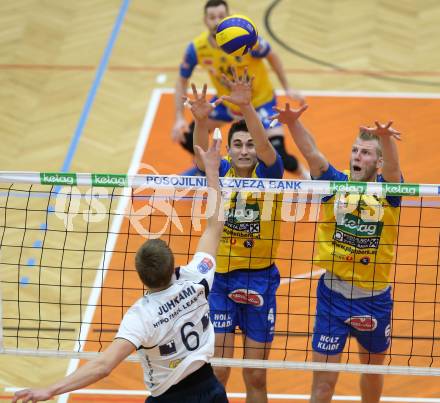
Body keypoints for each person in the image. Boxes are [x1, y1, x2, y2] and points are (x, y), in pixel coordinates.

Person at [13, 139, 228, 403]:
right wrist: (212, 172)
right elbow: (214, 225)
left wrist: (49, 390)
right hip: (212, 391)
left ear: (141, 276)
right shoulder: (197, 278)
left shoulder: (142, 316)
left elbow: (103, 366)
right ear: (174, 267)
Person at [271, 103, 403, 403]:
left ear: (378, 162)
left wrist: (386, 139)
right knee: (323, 386)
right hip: (333, 297)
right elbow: (312, 154)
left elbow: (394, 170)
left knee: (371, 375)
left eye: (366, 152)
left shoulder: (390, 191)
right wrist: (292, 124)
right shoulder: (336, 183)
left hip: (374, 300)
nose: (358, 156)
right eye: (355, 150)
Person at [185, 68, 282, 403]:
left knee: (255, 375)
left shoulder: (270, 173)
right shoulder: (221, 169)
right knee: (220, 372)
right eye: (237, 145)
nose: (244, 150)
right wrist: (200, 121)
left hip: (260, 280)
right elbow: (202, 155)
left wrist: (247, 109)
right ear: (228, 150)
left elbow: (268, 149)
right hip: (222, 282)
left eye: (250, 145)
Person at [173, 0, 308, 177]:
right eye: (212, 17)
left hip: (259, 103)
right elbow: (181, 79)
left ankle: (306, 177)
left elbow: (272, 56)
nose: (216, 21)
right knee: (187, 136)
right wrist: (179, 118)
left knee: (279, 153)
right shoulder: (197, 48)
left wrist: (287, 87)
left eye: (221, 16)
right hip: (226, 103)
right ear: (205, 20)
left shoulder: (247, 39)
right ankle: (210, 168)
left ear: (228, 17)